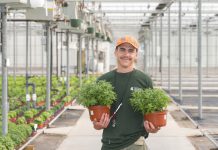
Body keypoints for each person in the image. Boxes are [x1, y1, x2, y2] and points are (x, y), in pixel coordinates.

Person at [93, 35, 160, 150]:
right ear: (115, 52)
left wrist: (153, 127)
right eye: (122, 49)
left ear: (136, 54)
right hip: (110, 143)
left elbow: (151, 113)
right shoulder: (103, 80)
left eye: (131, 50)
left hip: (135, 143)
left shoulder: (144, 80)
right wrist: (97, 125)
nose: (126, 54)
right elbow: (96, 116)